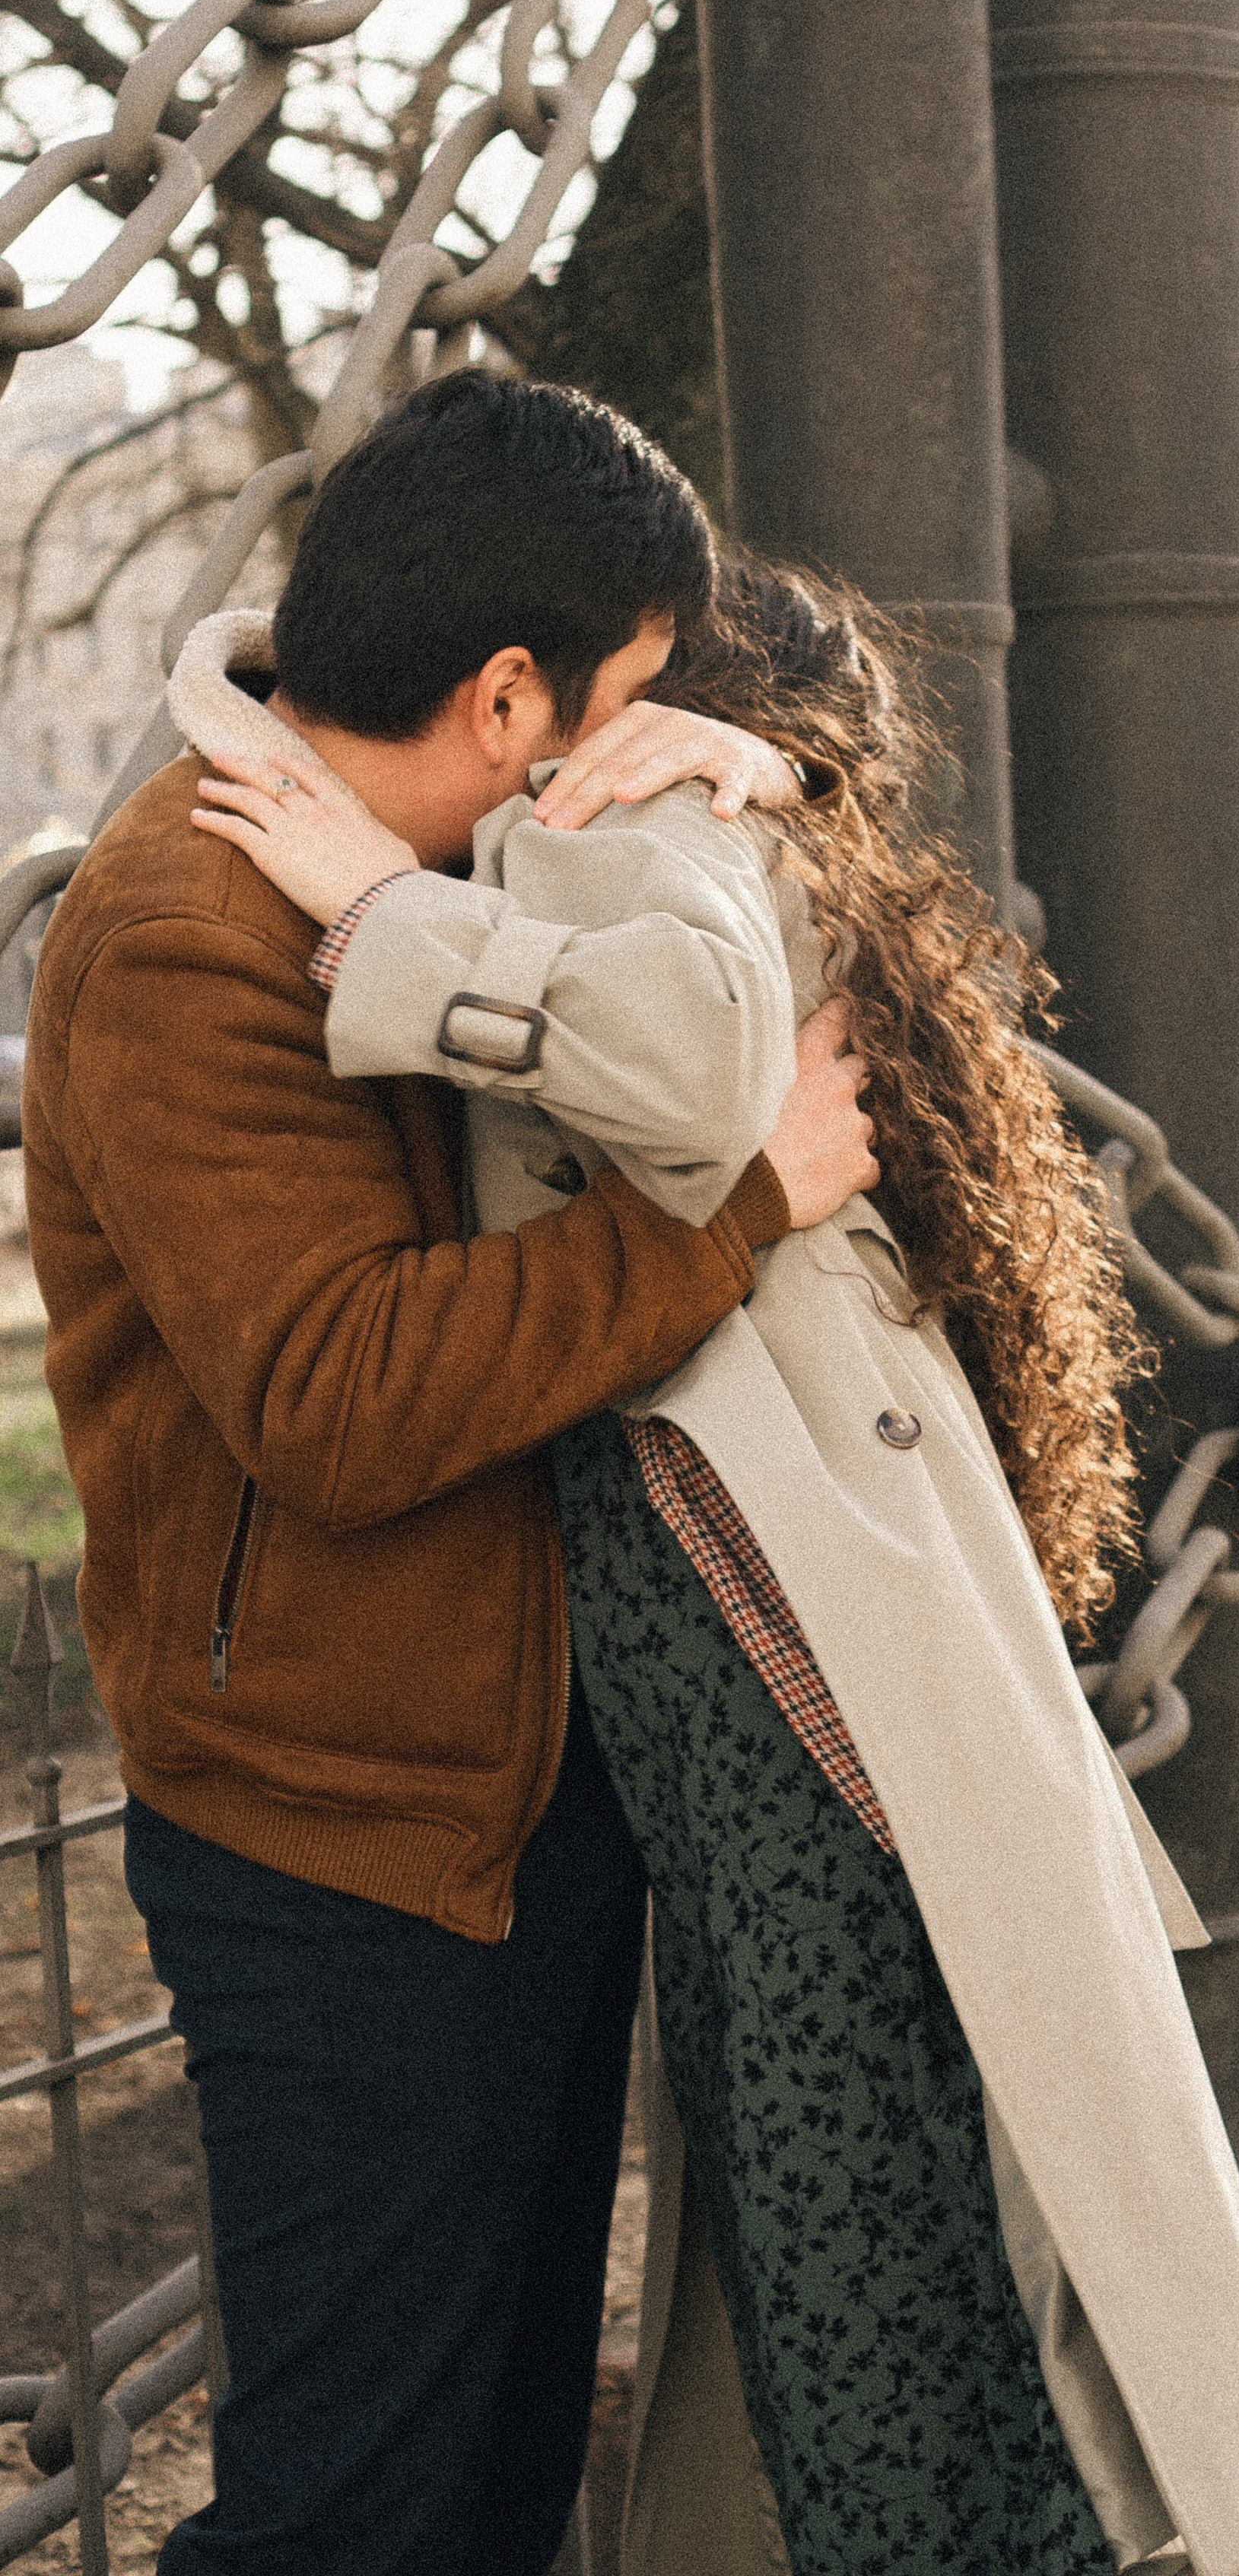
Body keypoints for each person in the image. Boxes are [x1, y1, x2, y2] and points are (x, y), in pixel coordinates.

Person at [178, 546, 1239, 2576]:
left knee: (884, 2339)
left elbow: (675, 1069)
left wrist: (379, 894)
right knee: (905, 2328)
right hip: (793, 1734)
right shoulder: (694, 838)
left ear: (648, 712)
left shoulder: (645, 843)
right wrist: (758, 769)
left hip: (800, 1739)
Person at [23, 375, 878, 2576]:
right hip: (340, 1835)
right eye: (628, 689)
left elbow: (775, 852)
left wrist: (758, 771)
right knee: (355, 2513)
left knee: (498, 2478)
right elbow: (340, 1392)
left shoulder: (455, 850)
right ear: (504, 695)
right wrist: (733, 1216)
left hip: (517, 1791)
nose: (644, 729)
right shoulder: (186, 930)